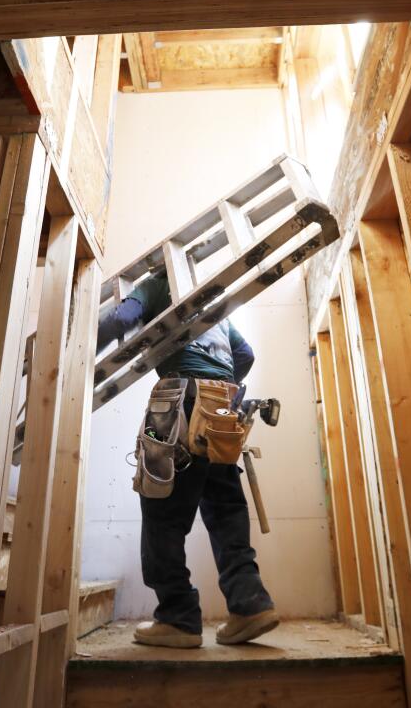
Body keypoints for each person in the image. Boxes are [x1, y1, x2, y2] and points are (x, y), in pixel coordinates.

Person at [98, 272, 278, 648]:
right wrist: (216, 383)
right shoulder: (212, 300)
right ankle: (250, 605)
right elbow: (245, 355)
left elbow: (121, 320)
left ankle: (178, 618)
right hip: (221, 410)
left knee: (162, 507)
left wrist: (69, 346)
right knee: (226, 508)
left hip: (180, 405)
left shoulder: (158, 282)